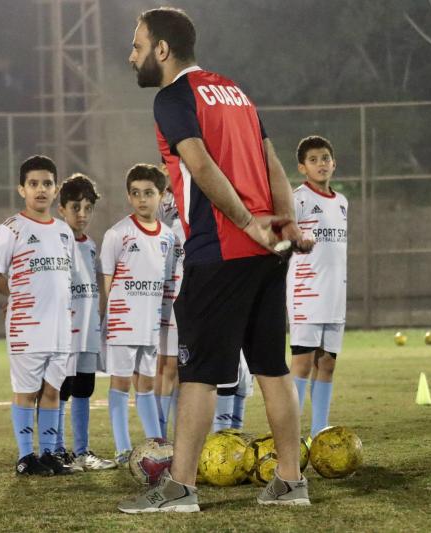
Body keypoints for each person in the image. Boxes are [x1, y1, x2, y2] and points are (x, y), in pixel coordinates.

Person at [120, 7, 314, 513]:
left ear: (162, 49)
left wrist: (247, 222)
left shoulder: (173, 97)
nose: (132, 55)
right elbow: (271, 159)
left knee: (199, 374)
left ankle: (180, 488)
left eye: (138, 46)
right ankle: (290, 483)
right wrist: (284, 220)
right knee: (273, 368)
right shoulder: (236, 91)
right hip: (267, 252)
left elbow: (199, 164)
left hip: (220, 249)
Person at [0, 155, 75, 476]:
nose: (41, 190)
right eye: (34, 184)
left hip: (59, 326)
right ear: (21, 189)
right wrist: (17, 297)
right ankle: (26, 457)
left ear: (56, 190)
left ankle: (50, 453)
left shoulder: (64, 231)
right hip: (27, 324)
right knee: (27, 392)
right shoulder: (11, 228)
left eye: (47, 184)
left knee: (52, 391)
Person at [100, 164, 176, 466]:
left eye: (149, 193)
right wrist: (111, 319)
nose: (142, 199)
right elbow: (108, 282)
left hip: (149, 324)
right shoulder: (118, 234)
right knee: (120, 383)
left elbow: (164, 280)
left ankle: (157, 445)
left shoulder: (168, 237)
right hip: (123, 322)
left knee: (146, 384)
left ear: (162, 195)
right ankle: (122, 449)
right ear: (129, 197)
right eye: (135, 193)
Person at [54, 173, 116, 471]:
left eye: (88, 208)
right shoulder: (55, 241)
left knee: (84, 388)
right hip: (64, 332)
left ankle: (81, 452)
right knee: (61, 389)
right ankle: (55, 450)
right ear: (61, 209)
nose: (82, 214)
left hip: (88, 330)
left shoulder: (91, 245)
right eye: (75, 207)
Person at [288, 136, 348, 438]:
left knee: (326, 364)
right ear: (302, 167)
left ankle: (319, 433)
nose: (321, 164)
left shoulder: (342, 202)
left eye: (325, 158)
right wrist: (294, 242)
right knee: (301, 364)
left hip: (335, 296)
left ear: (334, 163)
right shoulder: (297, 199)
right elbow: (280, 240)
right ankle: (291, 437)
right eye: (313, 160)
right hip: (306, 294)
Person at [154, 180, 182, 439]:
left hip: (197, 293)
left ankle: (182, 435)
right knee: (168, 365)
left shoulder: (201, 192)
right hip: (170, 295)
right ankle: (159, 437)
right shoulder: (164, 200)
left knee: (188, 369)